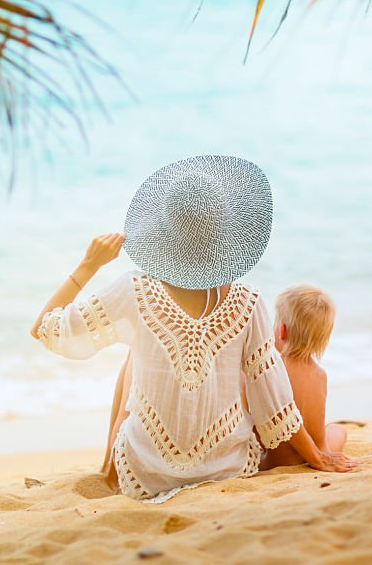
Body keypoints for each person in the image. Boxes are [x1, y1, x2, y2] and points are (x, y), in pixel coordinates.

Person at [30, 155, 355, 504]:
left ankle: (108, 468)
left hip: (144, 473)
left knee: (135, 349)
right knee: (147, 348)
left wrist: (88, 264)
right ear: (225, 233)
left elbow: (46, 330)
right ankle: (117, 467)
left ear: (164, 231)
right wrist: (317, 455)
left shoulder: (135, 291)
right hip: (227, 467)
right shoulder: (249, 303)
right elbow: (274, 401)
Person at [259, 285, 347, 470]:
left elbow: (266, 426)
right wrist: (323, 452)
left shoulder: (273, 368)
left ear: (282, 331)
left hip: (274, 463)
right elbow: (318, 434)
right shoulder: (320, 375)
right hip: (312, 454)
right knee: (339, 430)